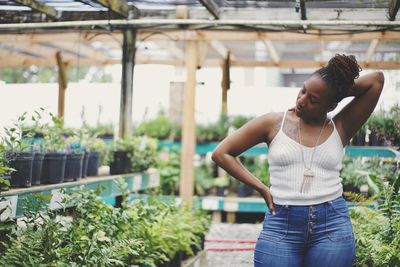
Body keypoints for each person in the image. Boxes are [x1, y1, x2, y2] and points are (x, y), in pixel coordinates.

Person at [211, 54, 385, 267]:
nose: (302, 101)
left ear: (331, 106)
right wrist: (262, 188)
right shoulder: (273, 123)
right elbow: (222, 153)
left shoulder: (341, 126)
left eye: (314, 99)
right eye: (303, 91)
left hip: (332, 225)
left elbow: (376, 80)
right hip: (281, 224)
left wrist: (336, 90)